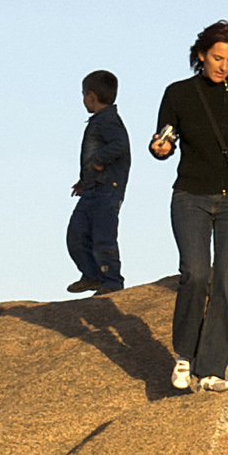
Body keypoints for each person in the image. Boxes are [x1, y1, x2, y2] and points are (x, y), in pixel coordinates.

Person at [146, 21, 228, 392]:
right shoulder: (179, 93)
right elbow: (163, 142)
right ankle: (184, 357)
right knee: (196, 273)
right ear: (201, 54)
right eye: (217, 57)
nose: (223, 66)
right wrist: (160, 148)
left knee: (226, 282)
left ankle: (213, 369)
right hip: (191, 197)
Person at [66, 69, 130, 294]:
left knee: (103, 237)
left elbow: (120, 144)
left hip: (107, 190)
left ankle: (111, 282)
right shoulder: (100, 121)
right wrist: (85, 180)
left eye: (84, 95)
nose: (84, 100)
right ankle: (92, 275)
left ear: (91, 95)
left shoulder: (108, 120)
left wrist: (99, 161)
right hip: (93, 189)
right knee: (76, 234)